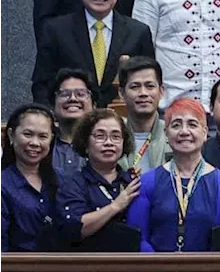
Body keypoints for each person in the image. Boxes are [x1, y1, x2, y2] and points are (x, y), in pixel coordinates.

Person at [31, 0, 155, 106]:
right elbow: (41, 86)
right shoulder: (56, 30)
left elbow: (149, 84)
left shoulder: (138, 32)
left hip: (120, 125)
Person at [126, 99, 220, 252]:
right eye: (176, 125)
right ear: (166, 133)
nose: (184, 132)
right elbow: (138, 239)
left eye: (192, 125)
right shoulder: (147, 182)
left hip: (208, 271)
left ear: (205, 132)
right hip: (156, 271)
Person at [56, 108, 139, 250]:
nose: (109, 142)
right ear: (85, 143)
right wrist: (115, 206)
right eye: (100, 136)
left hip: (130, 265)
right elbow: (74, 229)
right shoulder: (73, 183)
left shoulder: (131, 181)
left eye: (116, 136)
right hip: (87, 265)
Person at [0, 104, 60, 251]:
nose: (34, 143)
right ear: (11, 135)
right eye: (28, 134)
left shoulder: (62, 180)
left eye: (43, 136)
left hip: (60, 268)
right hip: (16, 269)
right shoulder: (3, 183)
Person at [117, 57, 171, 173]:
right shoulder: (111, 138)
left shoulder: (174, 135)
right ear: (121, 94)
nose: (143, 93)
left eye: (150, 86)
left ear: (161, 91)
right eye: (135, 87)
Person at [49, 69, 95, 176]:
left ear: (94, 105)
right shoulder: (43, 145)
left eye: (81, 94)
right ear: (52, 107)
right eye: (64, 94)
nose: (73, 99)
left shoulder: (104, 144)